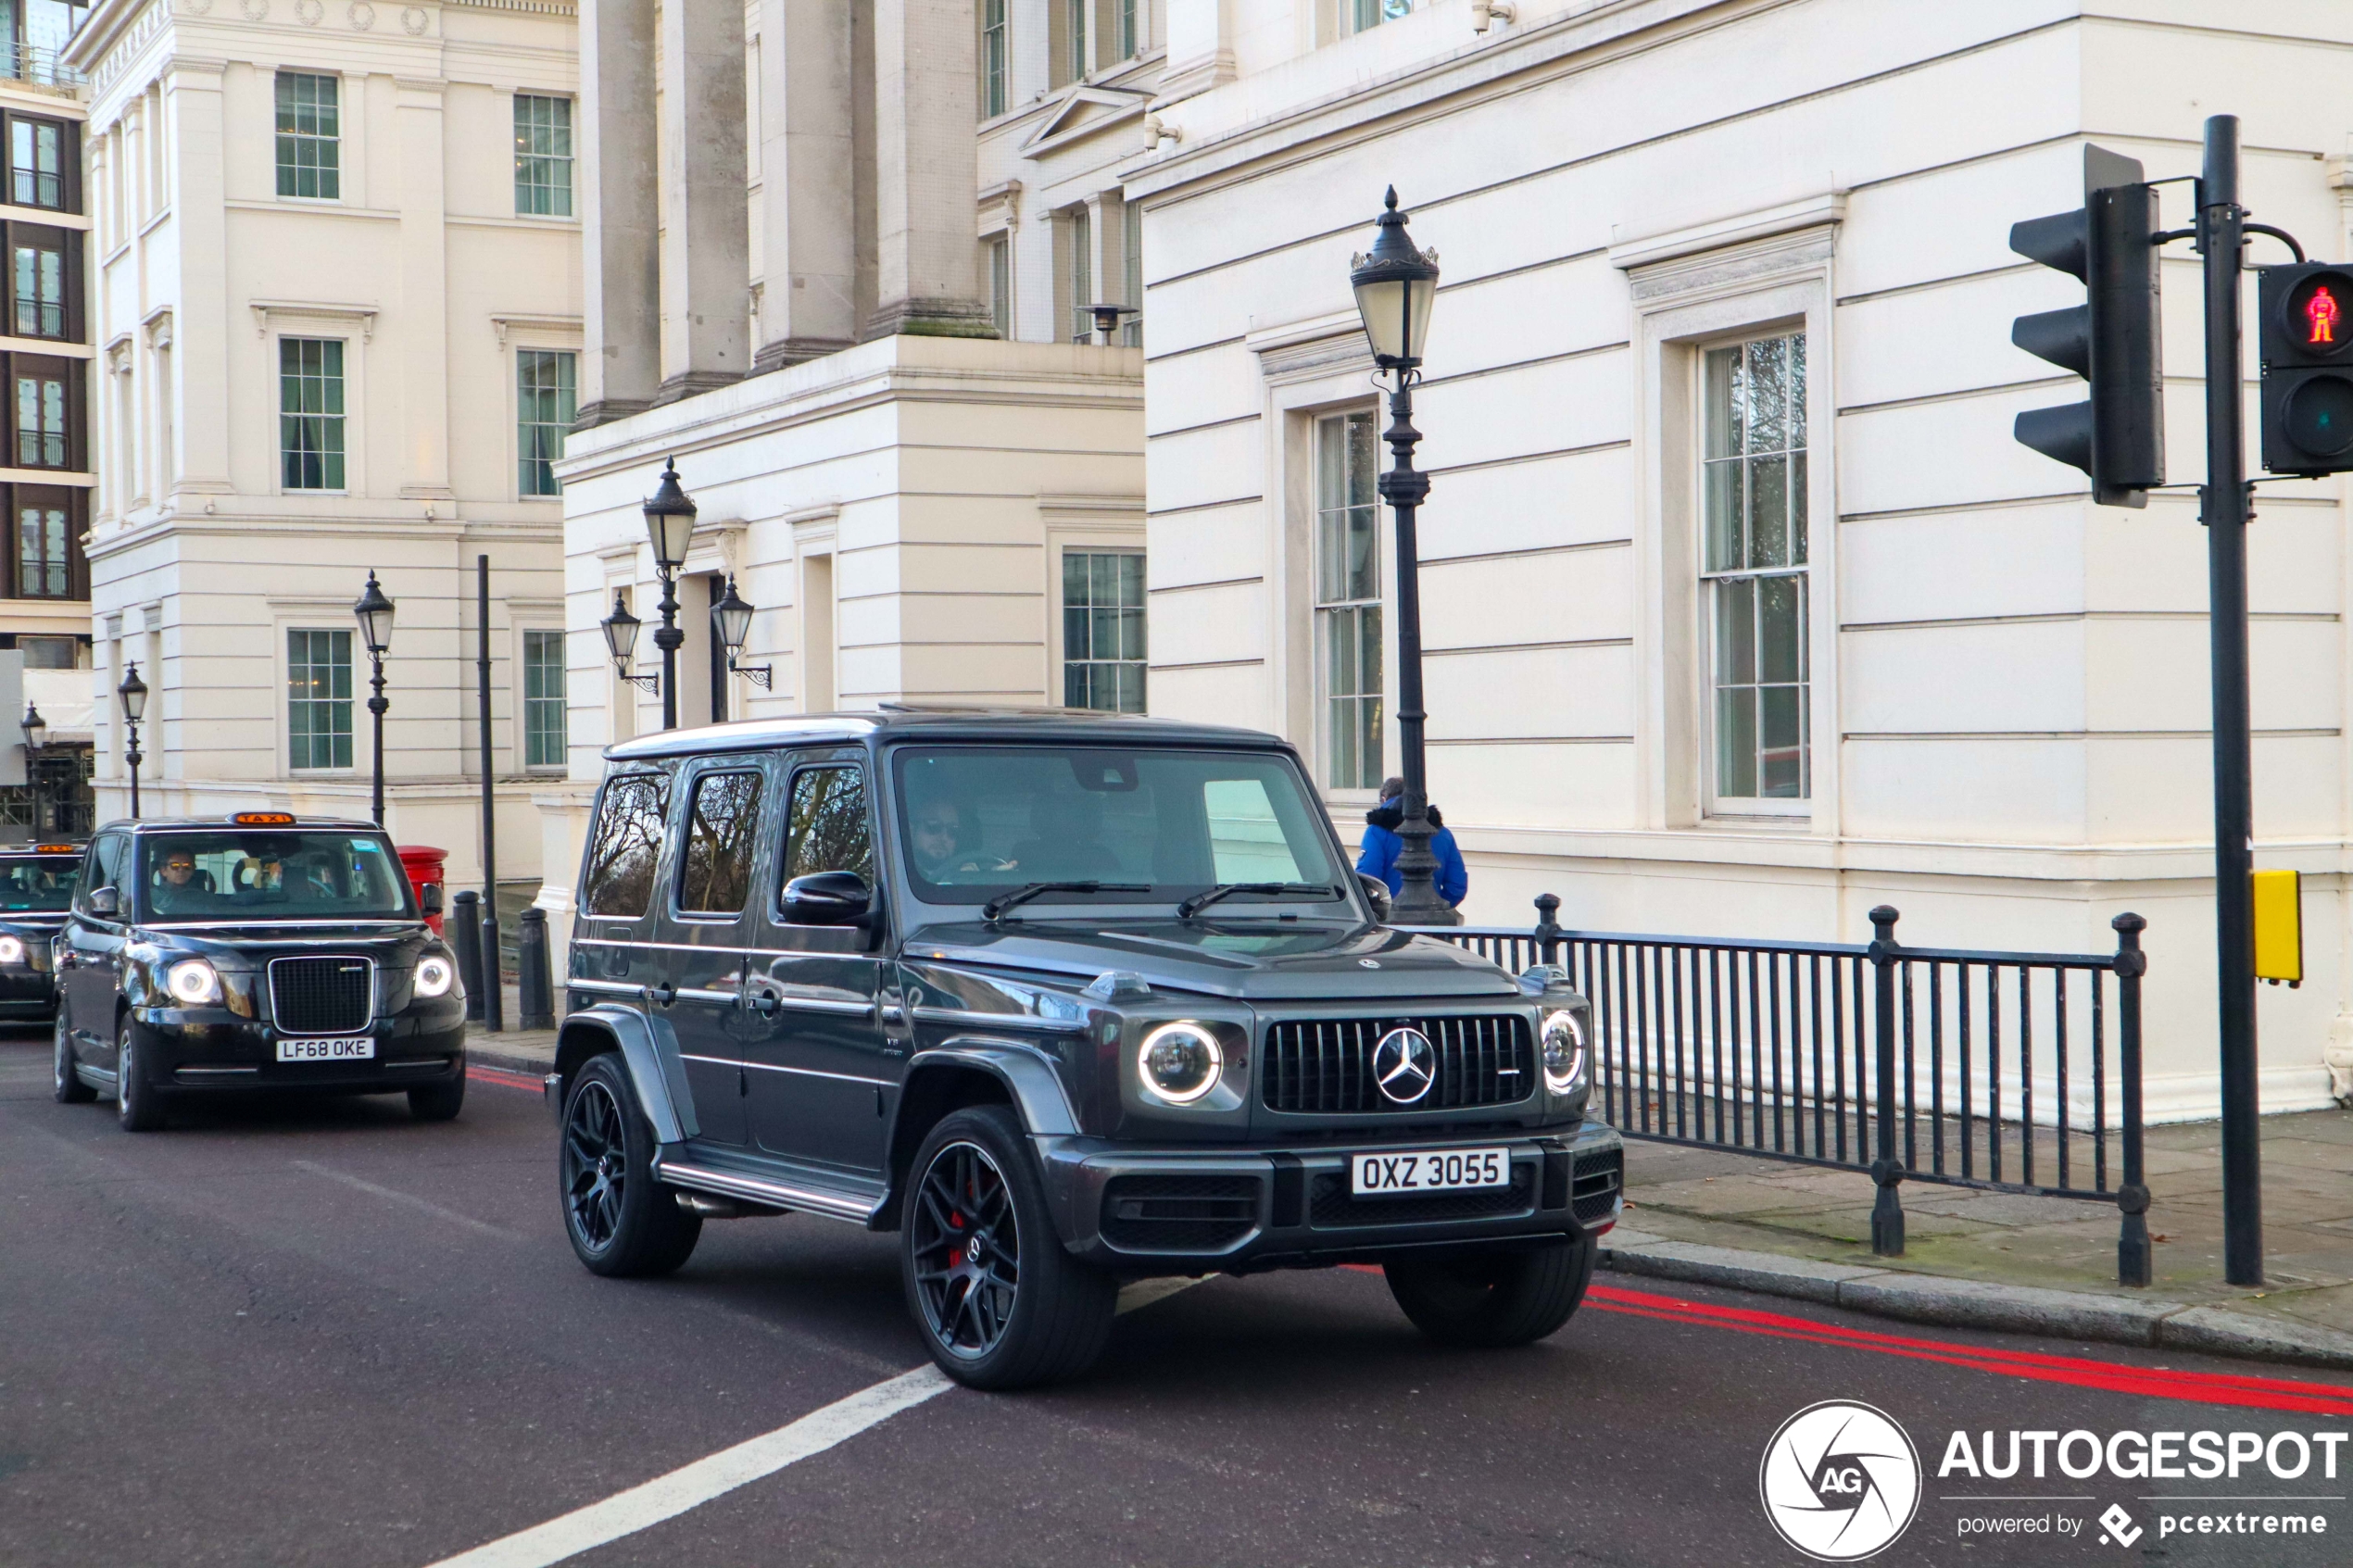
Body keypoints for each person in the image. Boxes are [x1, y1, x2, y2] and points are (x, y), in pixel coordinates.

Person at [1356, 776, 1467, 909]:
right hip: (1432, 919)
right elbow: (1457, 885)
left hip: (1391, 919)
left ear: (1384, 799)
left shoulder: (1376, 832)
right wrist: (1438, 909)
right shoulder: (1443, 834)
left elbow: (1368, 881)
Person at [150, 849, 210, 914]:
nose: (181, 870)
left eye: (187, 866)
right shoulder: (150, 897)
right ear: (163, 871)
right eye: (175, 866)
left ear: (193, 870)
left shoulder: (206, 899)